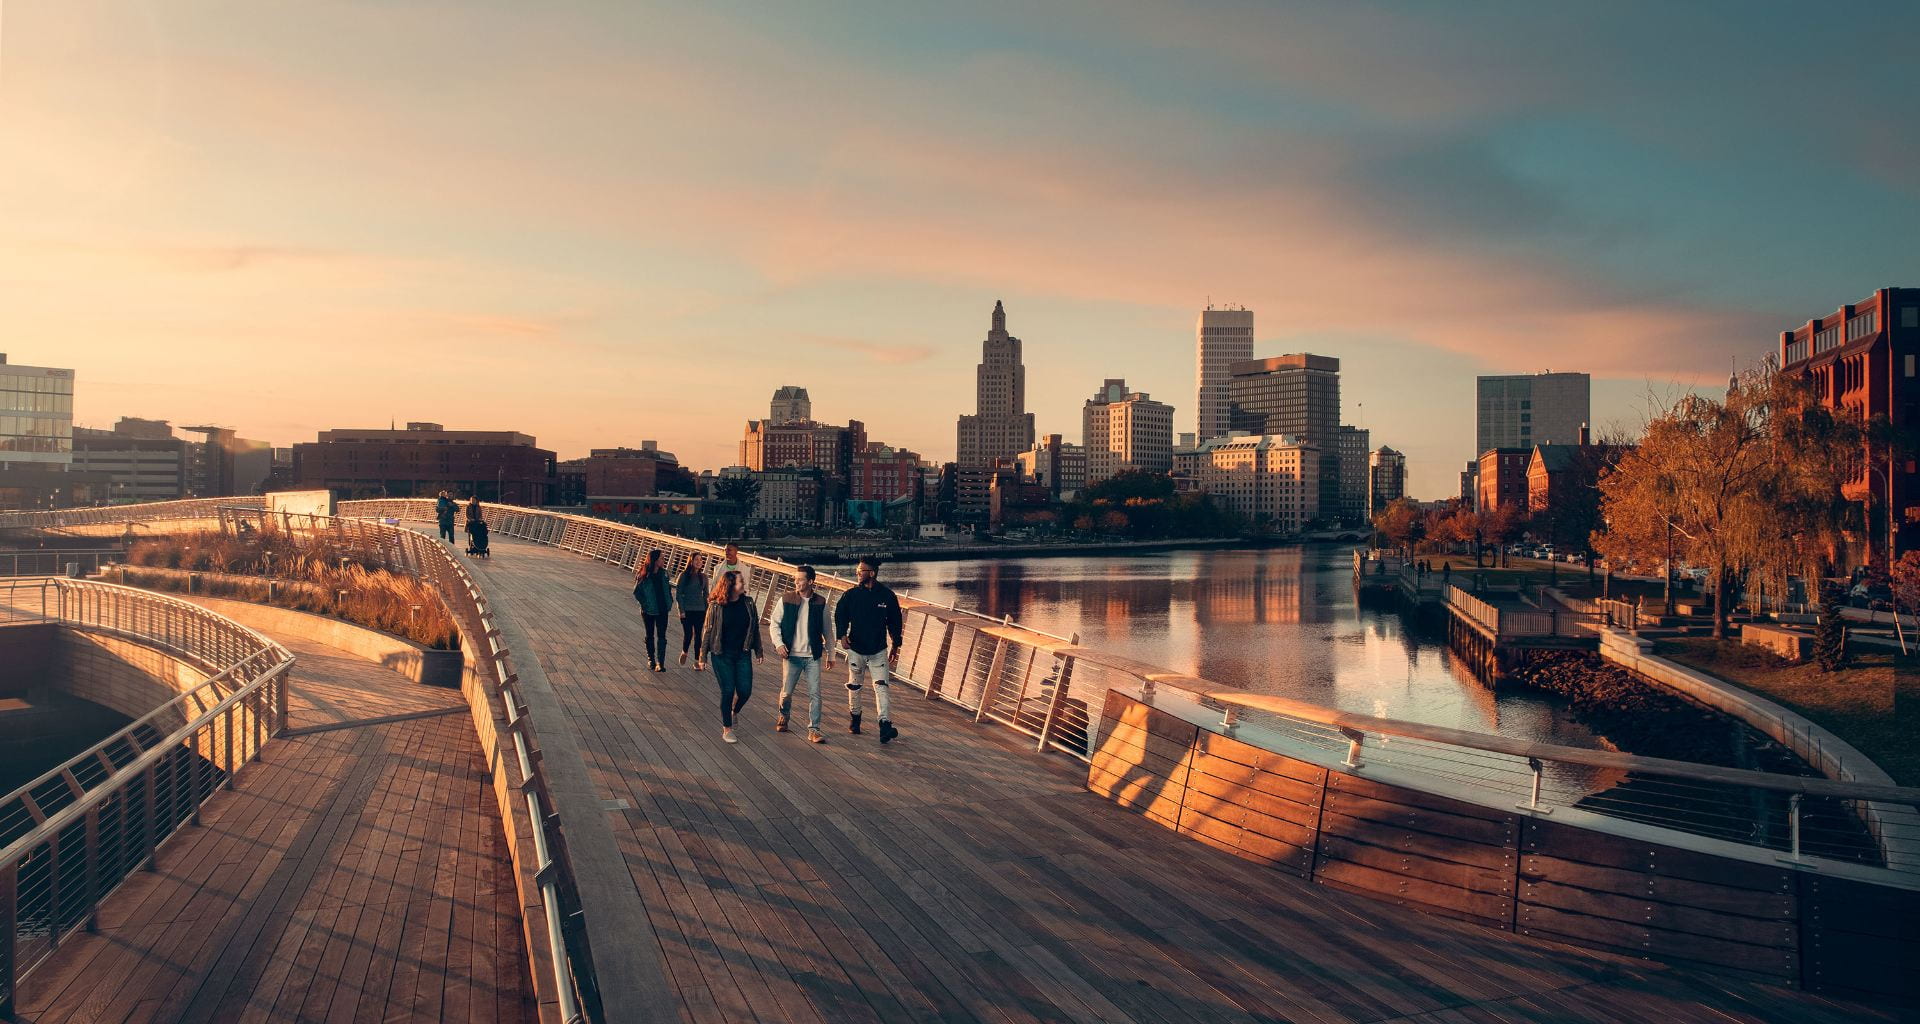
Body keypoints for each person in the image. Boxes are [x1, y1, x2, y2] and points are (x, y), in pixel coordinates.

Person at [835, 555, 904, 743]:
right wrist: (842, 635)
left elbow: (895, 622)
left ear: (872, 573)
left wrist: (896, 644)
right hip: (856, 648)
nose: (857, 573)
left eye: (861, 571)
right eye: (857, 571)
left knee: (881, 687)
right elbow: (840, 614)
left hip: (878, 650)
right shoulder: (851, 595)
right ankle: (855, 719)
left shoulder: (887, 596)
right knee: (855, 686)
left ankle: (885, 725)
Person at [771, 565, 835, 743]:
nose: (796, 582)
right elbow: (774, 624)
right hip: (791, 656)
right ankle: (783, 715)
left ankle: (814, 729)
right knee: (786, 693)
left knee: (815, 694)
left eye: (800, 579)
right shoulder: (786, 599)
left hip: (812, 657)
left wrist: (831, 654)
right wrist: (779, 644)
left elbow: (828, 631)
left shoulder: (821, 603)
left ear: (810, 582)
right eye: (795, 579)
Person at [702, 570, 763, 743]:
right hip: (721, 653)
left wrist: (758, 650)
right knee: (728, 690)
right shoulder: (716, 606)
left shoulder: (749, 603)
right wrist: (702, 657)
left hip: (743, 653)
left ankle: (734, 711)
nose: (743, 584)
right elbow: (707, 631)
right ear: (730, 585)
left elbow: (755, 628)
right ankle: (727, 729)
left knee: (745, 691)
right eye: (740, 582)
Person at [634, 549, 672, 672]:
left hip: (663, 609)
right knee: (649, 634)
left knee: (662, 635)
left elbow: (668, 589)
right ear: (655, 560)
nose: (663, 560)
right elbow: (637, 592)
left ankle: (661, 663)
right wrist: (645, 605)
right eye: (661, 558)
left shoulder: (664, 574)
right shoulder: (644, 574)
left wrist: (669, 601)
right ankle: (651, 659)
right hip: (649, 610)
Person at [676, 552, 711, 669]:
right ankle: (684, 651)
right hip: (687, 610)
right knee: (688, 634)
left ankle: (697, 660)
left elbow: (706, 595)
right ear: (691, 561)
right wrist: (681, 610)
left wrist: (707, 611)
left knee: (698, 636)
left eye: (701, 560)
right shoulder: (684, 576)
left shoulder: (704, 577)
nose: (699, 562)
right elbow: (679, 594)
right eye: (696, 559)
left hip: (700, 610)